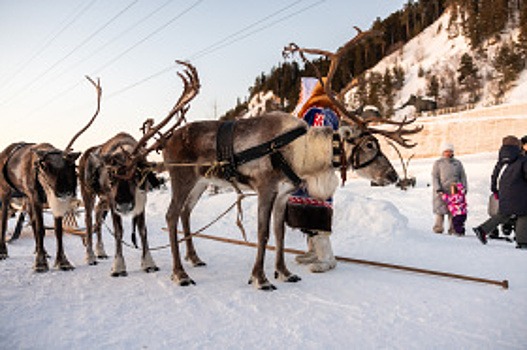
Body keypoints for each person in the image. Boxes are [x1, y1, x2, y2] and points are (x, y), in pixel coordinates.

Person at [286, 77, 340, 272]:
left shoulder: (317, 112)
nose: (301, 95)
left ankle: (326, 257)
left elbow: (314, 138)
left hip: (313, 172)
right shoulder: (328, 112)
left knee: (315, 212)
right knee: (310, 212)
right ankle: (314, 251)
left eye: (303, 91)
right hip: (315, 171)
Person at [473, 135, 527, 249]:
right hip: (519, 193)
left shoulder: (501, 161)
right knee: (524, 214)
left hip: (504, 192)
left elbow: (495, 176)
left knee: (503, 214)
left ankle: (482, 229)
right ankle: (522, 242)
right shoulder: (522, 160)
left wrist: (495, 189)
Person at [431, 142, 468, 234]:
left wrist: (464, 188)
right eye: (446, 151)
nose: (448, 153)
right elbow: (435, 176)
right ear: (443, 152)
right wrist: (438, 189)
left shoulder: (457, 163)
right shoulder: (438, 163)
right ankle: (438, 228)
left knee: (454, 211)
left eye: (450, 151)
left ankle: (453, 229)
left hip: (455, 191)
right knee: (440, 210)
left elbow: (462, 176)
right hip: (441, 191)